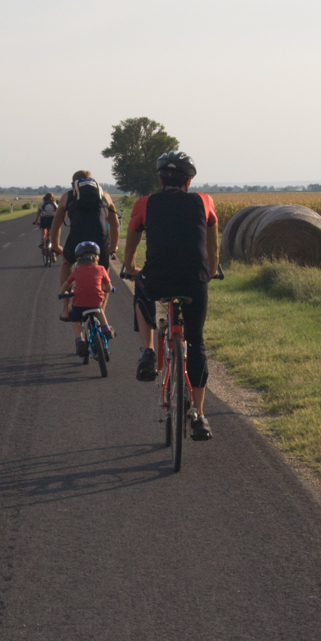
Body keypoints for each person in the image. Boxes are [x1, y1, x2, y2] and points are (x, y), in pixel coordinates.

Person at [120, 151, 219, 441]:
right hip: (194, 280)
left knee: (141, 287)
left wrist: (131, 268)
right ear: (189, 181)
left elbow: (132, 244)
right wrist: (211, 271)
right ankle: (199, 415)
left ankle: (148, 350)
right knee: (196, 341)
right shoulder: (204, 201)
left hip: (158, 278)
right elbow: (212, 247)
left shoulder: (145, 203)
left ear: (161, 180)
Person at [49, 171, 120, 321]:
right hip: (100, 238)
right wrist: (112, 247)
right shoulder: (105, 195)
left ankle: (66, 309)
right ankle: (101, 312)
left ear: (73, 184)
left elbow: (56, 224)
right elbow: (115, 224)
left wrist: (55, 245)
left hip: (77, 236)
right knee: (104, 269)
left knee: (67, 263)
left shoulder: (68, 196)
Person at [60, 241, 113, 357]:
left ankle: (80, 340)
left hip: (79, 304)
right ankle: (106, 329)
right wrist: (108, 289)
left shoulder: (76, 271)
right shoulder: (101, 269)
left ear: (78, 260)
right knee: (99, 310)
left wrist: (62, 293)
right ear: (97, 258)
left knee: (75, 318)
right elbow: (108, 287)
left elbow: (66, 284)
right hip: (95, 302)